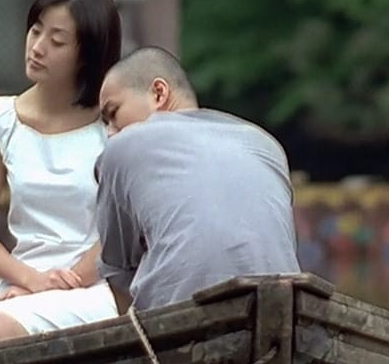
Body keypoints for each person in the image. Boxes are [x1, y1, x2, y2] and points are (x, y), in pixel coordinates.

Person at [0, 0, 124, 343]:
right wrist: (31, 281)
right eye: (36, 31)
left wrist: (64, 283)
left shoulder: (112, 125)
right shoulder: (1, 120)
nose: (37, 48)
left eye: (57, 41)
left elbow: (123, 230)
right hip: (23, 284)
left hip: (91, 286)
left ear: (87, 54)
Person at [92, 47, 303, 314]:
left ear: (159, 93)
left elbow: (117, 267)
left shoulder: (123, 145)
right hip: (284, 310)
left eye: (113, 113)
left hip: (182, 320)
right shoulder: (265, 143)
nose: (111, 133)